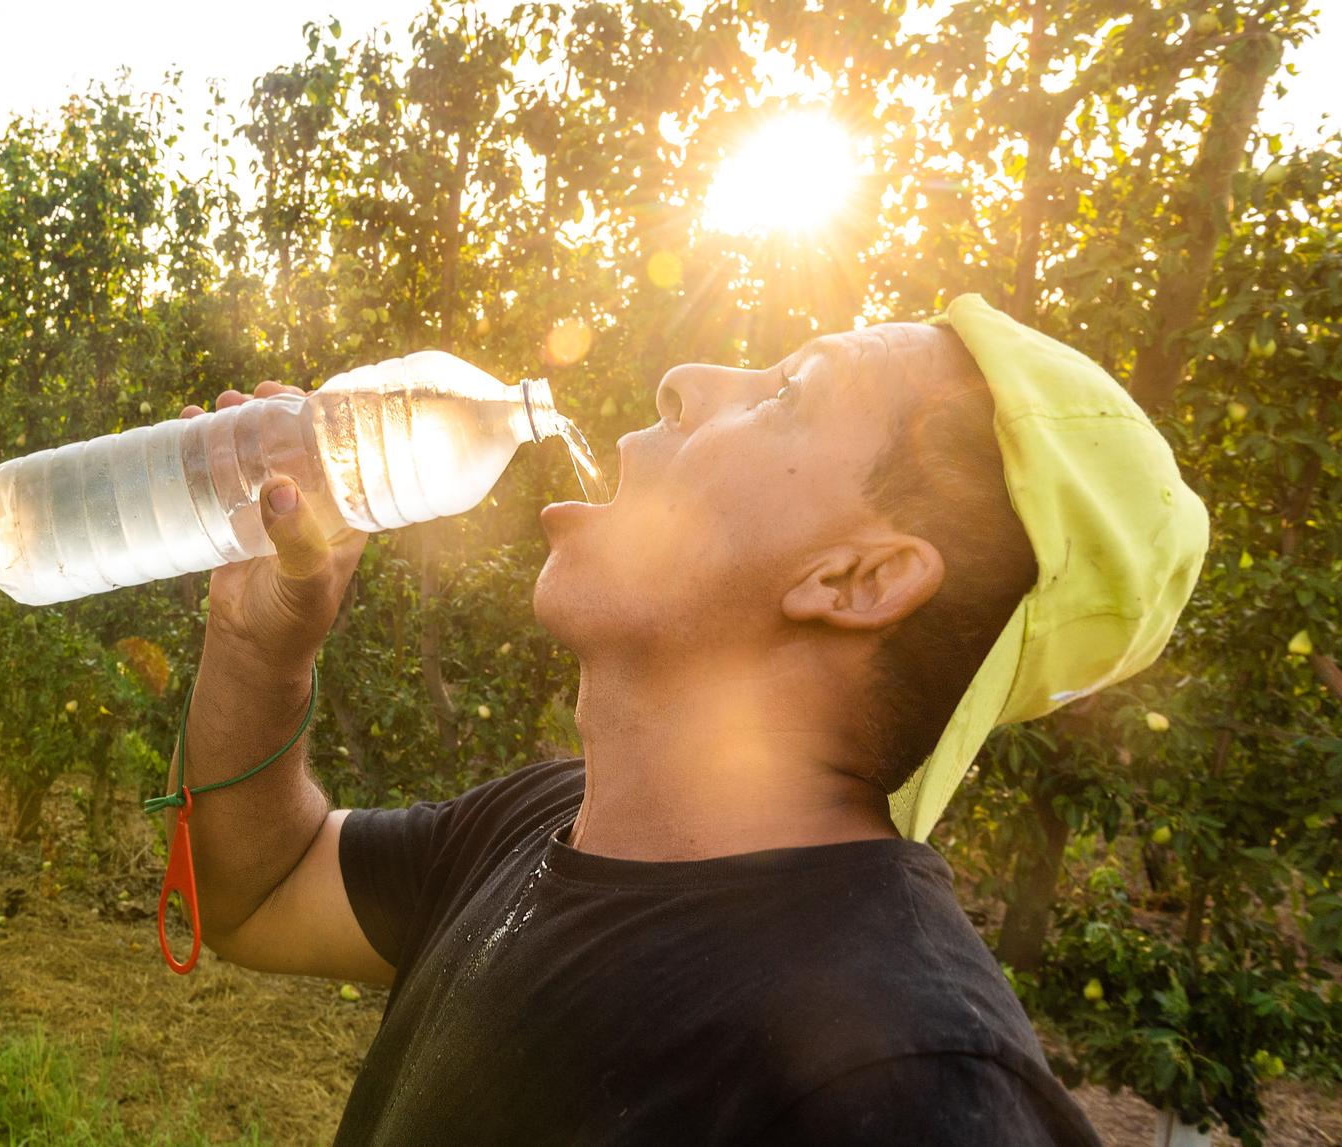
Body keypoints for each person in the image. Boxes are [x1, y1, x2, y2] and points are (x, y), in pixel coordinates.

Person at [161, 295, 1208, 1145]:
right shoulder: (548, 822)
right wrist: (261, 644)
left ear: (854, 578)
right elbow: (252, 891)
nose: (684, 380)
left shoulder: (913, 1085)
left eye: (788, 392)